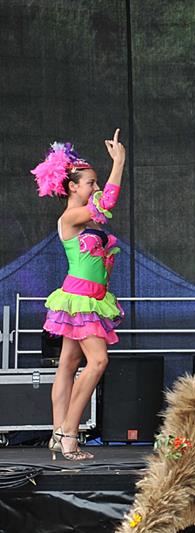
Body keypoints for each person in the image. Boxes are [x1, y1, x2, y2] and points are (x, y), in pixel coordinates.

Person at [31, 131, 126, 461]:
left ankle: (58, 434)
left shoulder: (87, 222)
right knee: (98, 361)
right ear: (72, 187)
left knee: (69, 363)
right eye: (91, 183)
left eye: (97, 182)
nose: (96, 187)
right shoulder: (70, 217)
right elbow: (107, 202)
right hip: (79, 298)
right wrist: (119, 163)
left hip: (92, 299)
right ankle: (69, 433)